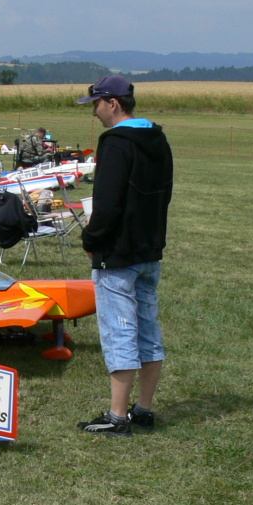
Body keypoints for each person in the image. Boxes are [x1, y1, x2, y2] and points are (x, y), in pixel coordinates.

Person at [73, 75, 174, 437]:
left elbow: (107, 203)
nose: (95, 113)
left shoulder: (115, 143)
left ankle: (117, 417)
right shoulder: (157, 138)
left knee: (120, 332)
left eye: (97, 105)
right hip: (149, 249)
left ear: (112, 103)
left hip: (117, 254)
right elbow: (165, 193)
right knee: (148, 328)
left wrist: (90, 238)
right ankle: (143, 409)